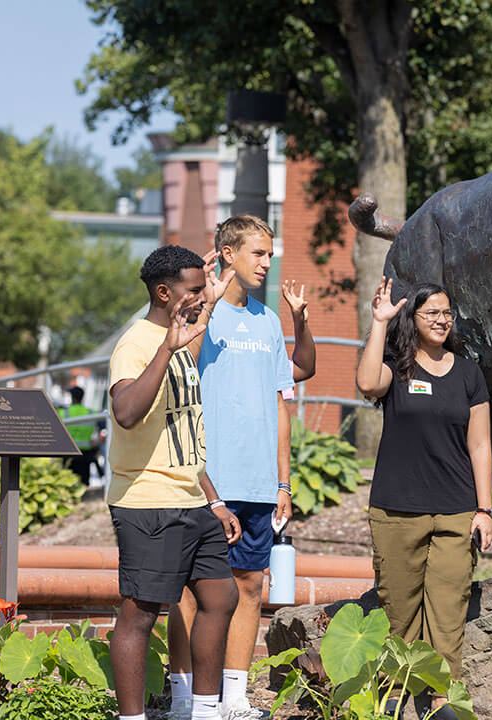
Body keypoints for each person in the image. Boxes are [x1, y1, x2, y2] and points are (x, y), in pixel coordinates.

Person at [166, 215, 317, 720]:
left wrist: (282, 482)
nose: (266, 264)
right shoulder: (197, 315)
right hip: (204, 482)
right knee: (191, 590)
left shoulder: (267, 321)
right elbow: (173, 368)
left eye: (270, 255)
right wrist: (204, 306)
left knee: (249, 586)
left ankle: (233, 698)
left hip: (257, 483)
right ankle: (185, 698)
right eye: (258, 253)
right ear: (228, 253)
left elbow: (281, 405)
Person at [106, 245, 240, 720]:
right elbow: (125, 413)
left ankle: (204, 711)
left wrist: (214, 500)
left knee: (221, 596)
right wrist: (167, 348)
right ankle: (132, 716)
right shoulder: (139, 342)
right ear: (165, 292)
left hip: (190, 498)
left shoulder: (181, 340)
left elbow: (181, 433)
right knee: (141, 612)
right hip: (146, 501)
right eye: (194, 290)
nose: (202, 296)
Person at [356, 279, 492, 715]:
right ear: (412, 319)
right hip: (398, 510)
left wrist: (485, 509)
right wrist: (379, 322)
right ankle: (393, 698)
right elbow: (366, 384)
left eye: (447, 312)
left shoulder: (469, 373)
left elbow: (480, 446)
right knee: (399, 612)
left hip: (456, 511)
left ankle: (442, 701)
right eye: (432, 312)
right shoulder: (397, 367)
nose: (442, 319)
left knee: (449, 610)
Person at [60, 386, 101, 484]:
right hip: (85, 454)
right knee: (84, 483)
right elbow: (102, 430)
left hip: (69, 453)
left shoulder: (63, 413)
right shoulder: (92, 413)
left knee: (67, 483)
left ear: (72, 397)